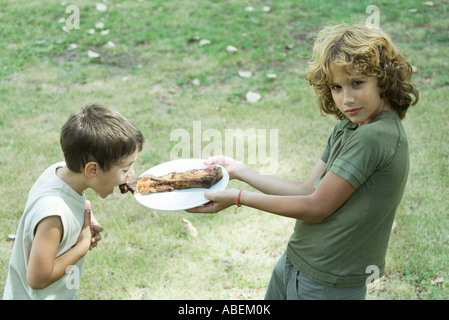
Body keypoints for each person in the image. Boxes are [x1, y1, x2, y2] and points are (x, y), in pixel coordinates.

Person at [187, 23, 419, 300]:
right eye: (336, 86)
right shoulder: (351, 127)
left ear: (383, 78)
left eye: (357, 83)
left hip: (328, 283)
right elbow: (308, 189)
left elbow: (315, 207)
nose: (346, 99)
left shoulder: (374, 137)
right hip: (297, 262)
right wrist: (241, 171)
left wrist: (238, 198)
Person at [3, 104, 144, 300]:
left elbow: (67, 199)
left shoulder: (60, 171)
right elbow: (37, 278)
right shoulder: (54, 214)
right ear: (92, 170)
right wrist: (82, 245)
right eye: (125, 169)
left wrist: (82, 216)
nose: (132, 174)